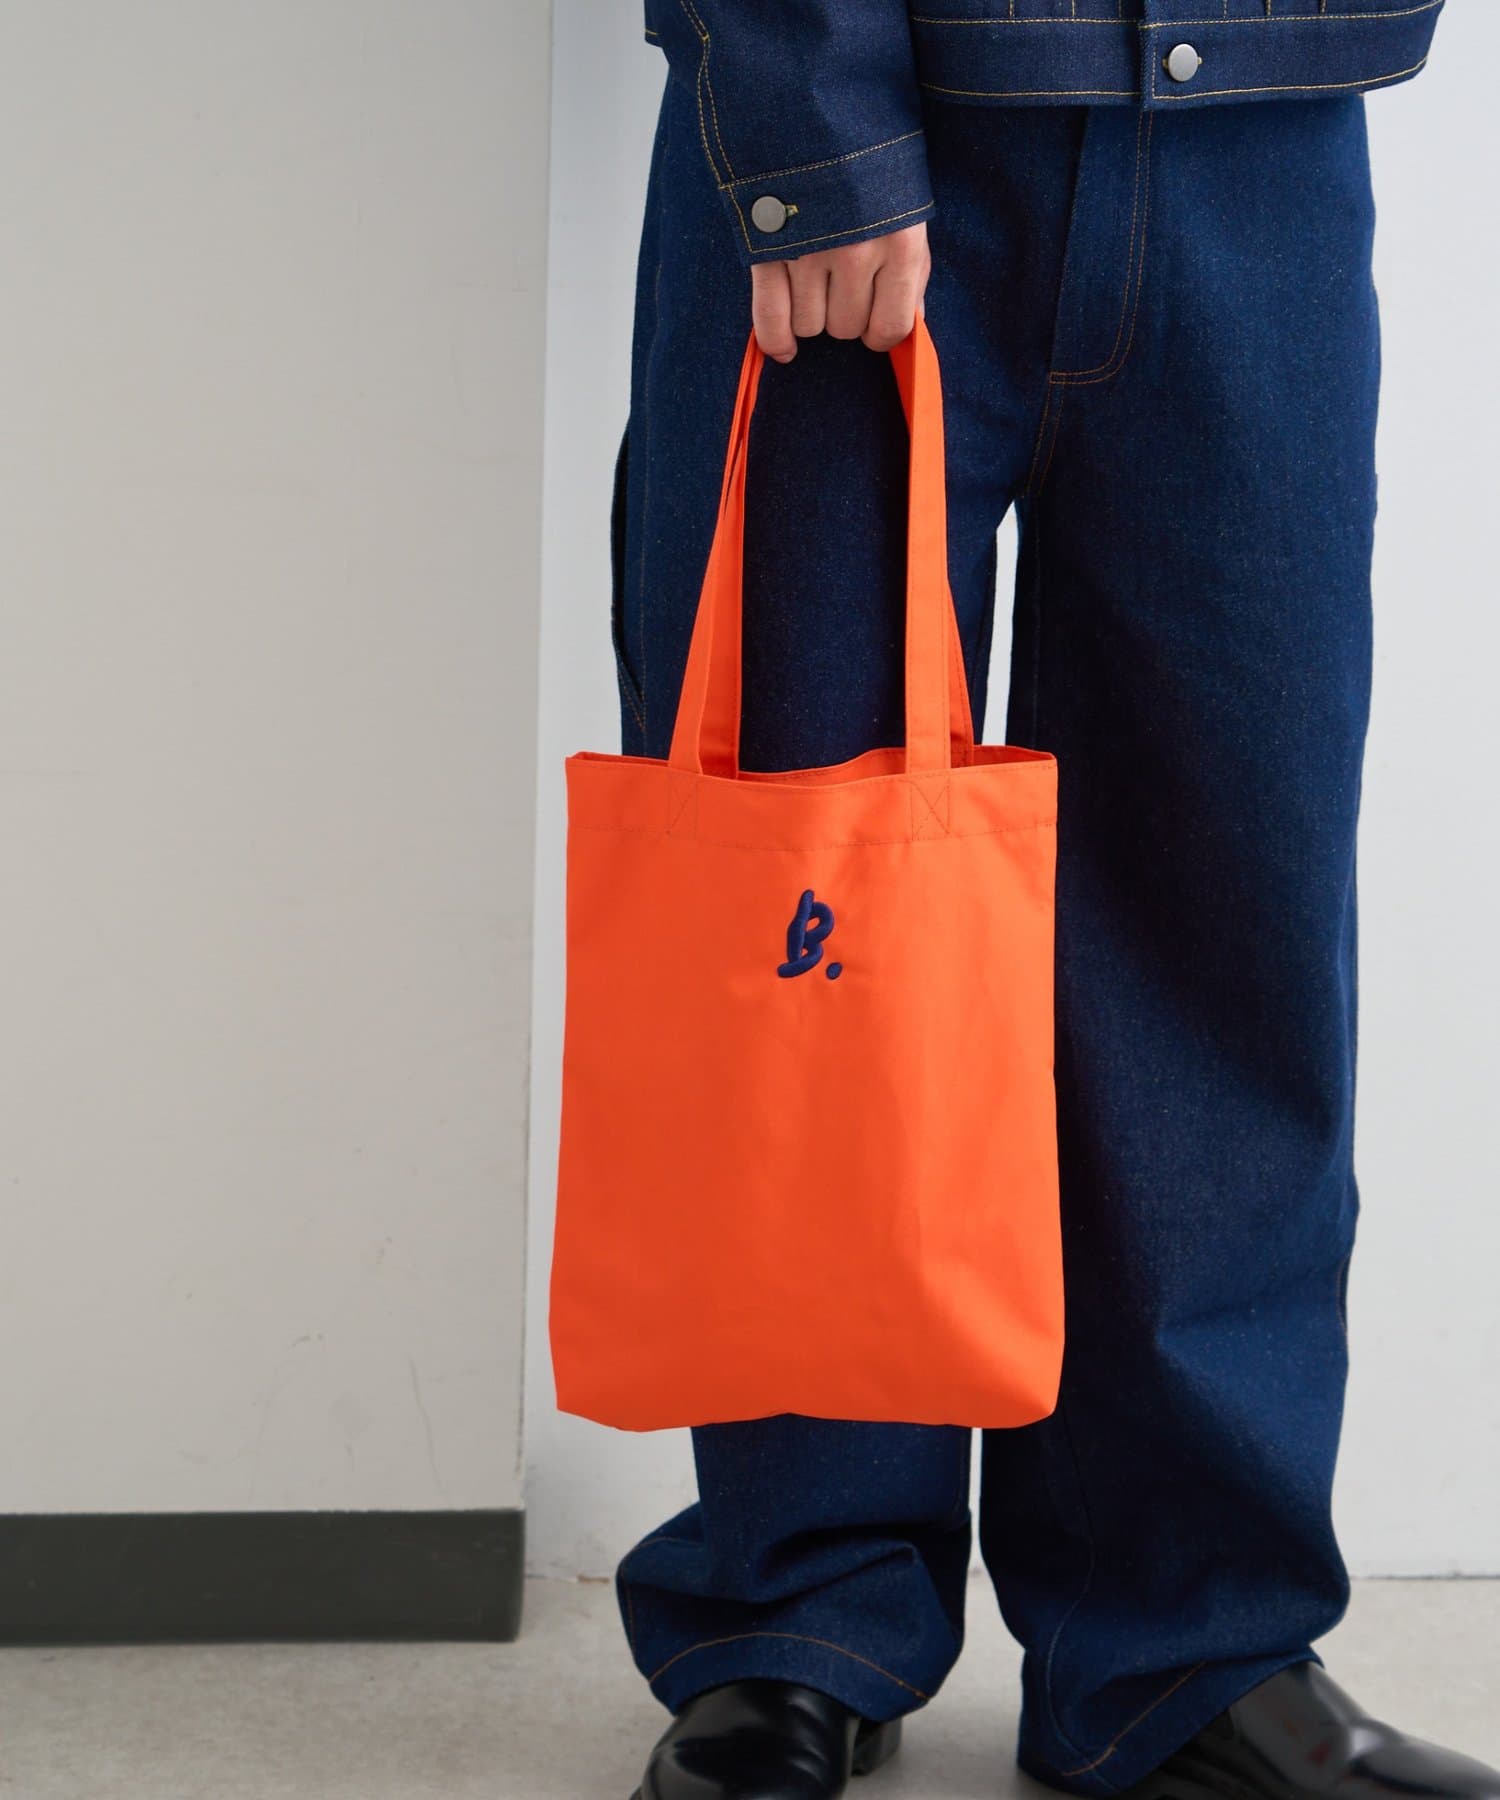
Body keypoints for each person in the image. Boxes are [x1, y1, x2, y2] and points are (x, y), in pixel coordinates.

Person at [605, 5, 1499, 1799]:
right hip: (862, 141)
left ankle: (1190, 1645)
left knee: (1224, 908)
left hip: (1262, 138)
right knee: (807, 928)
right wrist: (807, 128)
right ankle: (799, 1614)